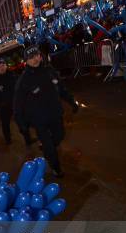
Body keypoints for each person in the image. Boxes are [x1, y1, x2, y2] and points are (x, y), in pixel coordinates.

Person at [13, 46, 78, 178]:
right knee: (49, 146)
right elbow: (17, 105)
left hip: (55, 113)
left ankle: (49, 147)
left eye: (36, 55)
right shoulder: (23, 80)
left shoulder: (49, 71)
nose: (35, 59)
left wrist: (71, 102)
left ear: (41, 56)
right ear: (26, 61)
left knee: (60, 136)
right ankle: (56, 167)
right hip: (39, 119)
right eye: (31, 58)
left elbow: (61, 88)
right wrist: (22, 125)